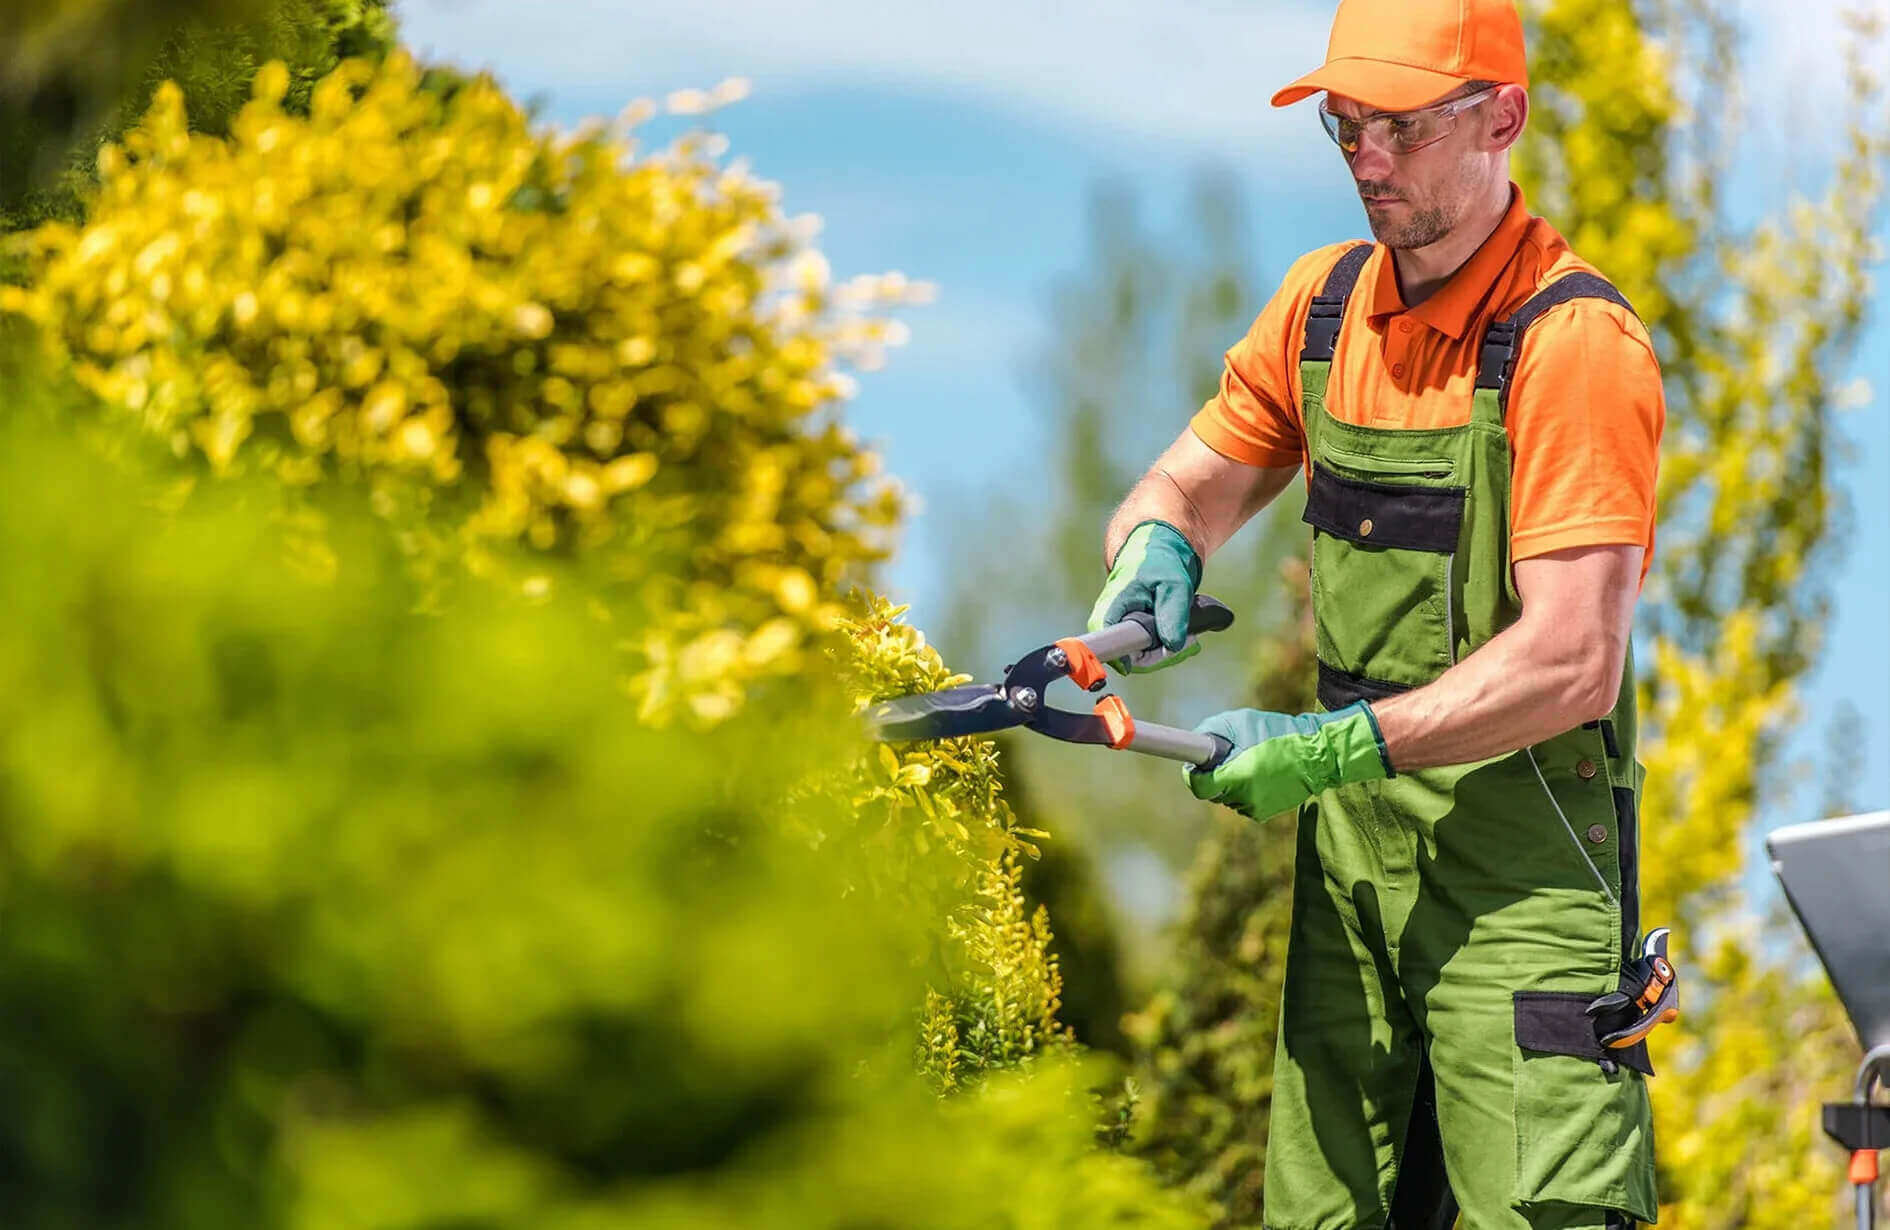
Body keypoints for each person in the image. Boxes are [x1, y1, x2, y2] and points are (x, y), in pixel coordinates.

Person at [1086, 0, 1667, 1226]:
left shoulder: (1575, 347)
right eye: (1346, 127)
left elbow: (1572, 660)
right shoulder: (1324, 307)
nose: (1366, 161)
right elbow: (1188, 483)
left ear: (1500, 116)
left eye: (1400, 127)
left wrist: (1336, 746)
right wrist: (1154, 543)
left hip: (1523, 884)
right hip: (1350, 875)